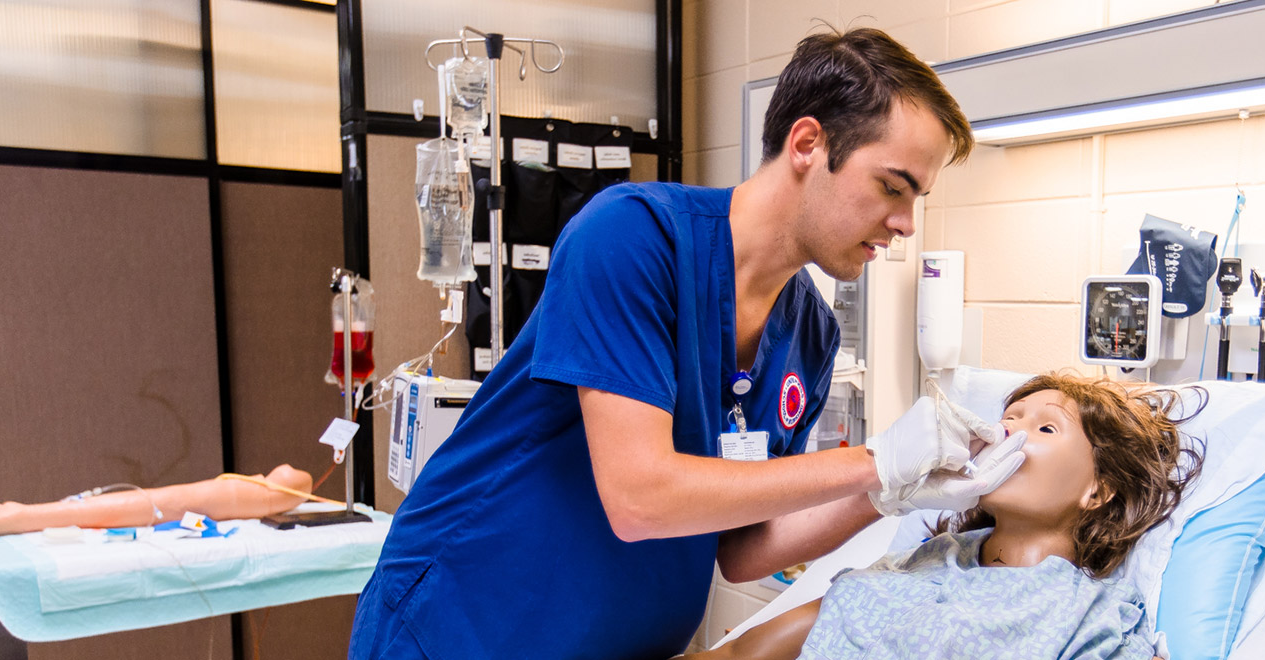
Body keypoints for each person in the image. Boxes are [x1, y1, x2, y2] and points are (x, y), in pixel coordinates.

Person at [350, 28, 1027, 659]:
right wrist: (877, 462)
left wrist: (888, 496)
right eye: (892, 187)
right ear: (807, 144)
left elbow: (742, 545)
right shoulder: (633, 238)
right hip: (467, 626)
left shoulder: (810, 333)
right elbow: (640, 495)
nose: (906, 223)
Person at [683, 373, 1203, 660]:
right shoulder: (920, 564)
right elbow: (735, 657)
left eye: (1046, 430)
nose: (1009, 436)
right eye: (1007, 420)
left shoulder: (1091, 613)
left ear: (1097, 491)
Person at [0, 465, 315, 537]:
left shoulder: (272, 494)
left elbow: (295, 482)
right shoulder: (265, 493)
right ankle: (25, 516)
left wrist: (29, 516)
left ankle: (25, 516)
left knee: (158, 504)